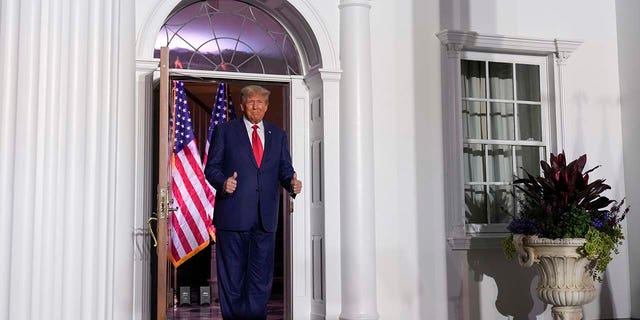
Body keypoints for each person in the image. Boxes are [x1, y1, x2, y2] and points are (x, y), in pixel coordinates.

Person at [204, 85, 302, 319]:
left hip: (265, 220)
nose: (256, 106)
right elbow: (211, 168)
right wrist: (223, 182)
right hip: (233, 218)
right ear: (242, 105)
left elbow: (284, 168)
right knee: (233, 280)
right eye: (251, 101)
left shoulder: (277, 135)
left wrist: (291, 183)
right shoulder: (225, 131)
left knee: (260, 281)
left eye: (261, 102)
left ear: (267, 107)